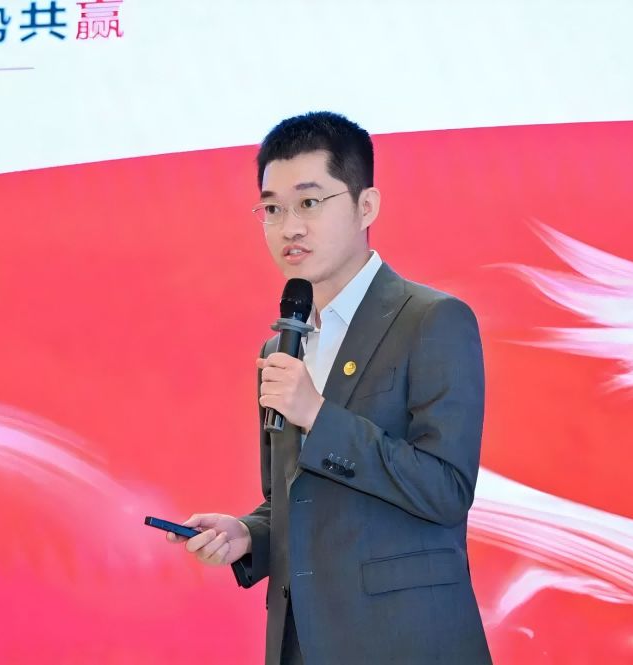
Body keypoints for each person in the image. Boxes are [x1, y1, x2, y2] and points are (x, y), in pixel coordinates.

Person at [166, 111, 492, 665]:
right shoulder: (282, 347)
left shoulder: (432, 320)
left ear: (366, 206)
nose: (289, 227)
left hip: (406, 644)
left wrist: (318, 415)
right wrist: (248, 534)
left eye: (310, 202)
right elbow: (296, 499)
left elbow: (445, 490)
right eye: (272, 209)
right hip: (302, 642)